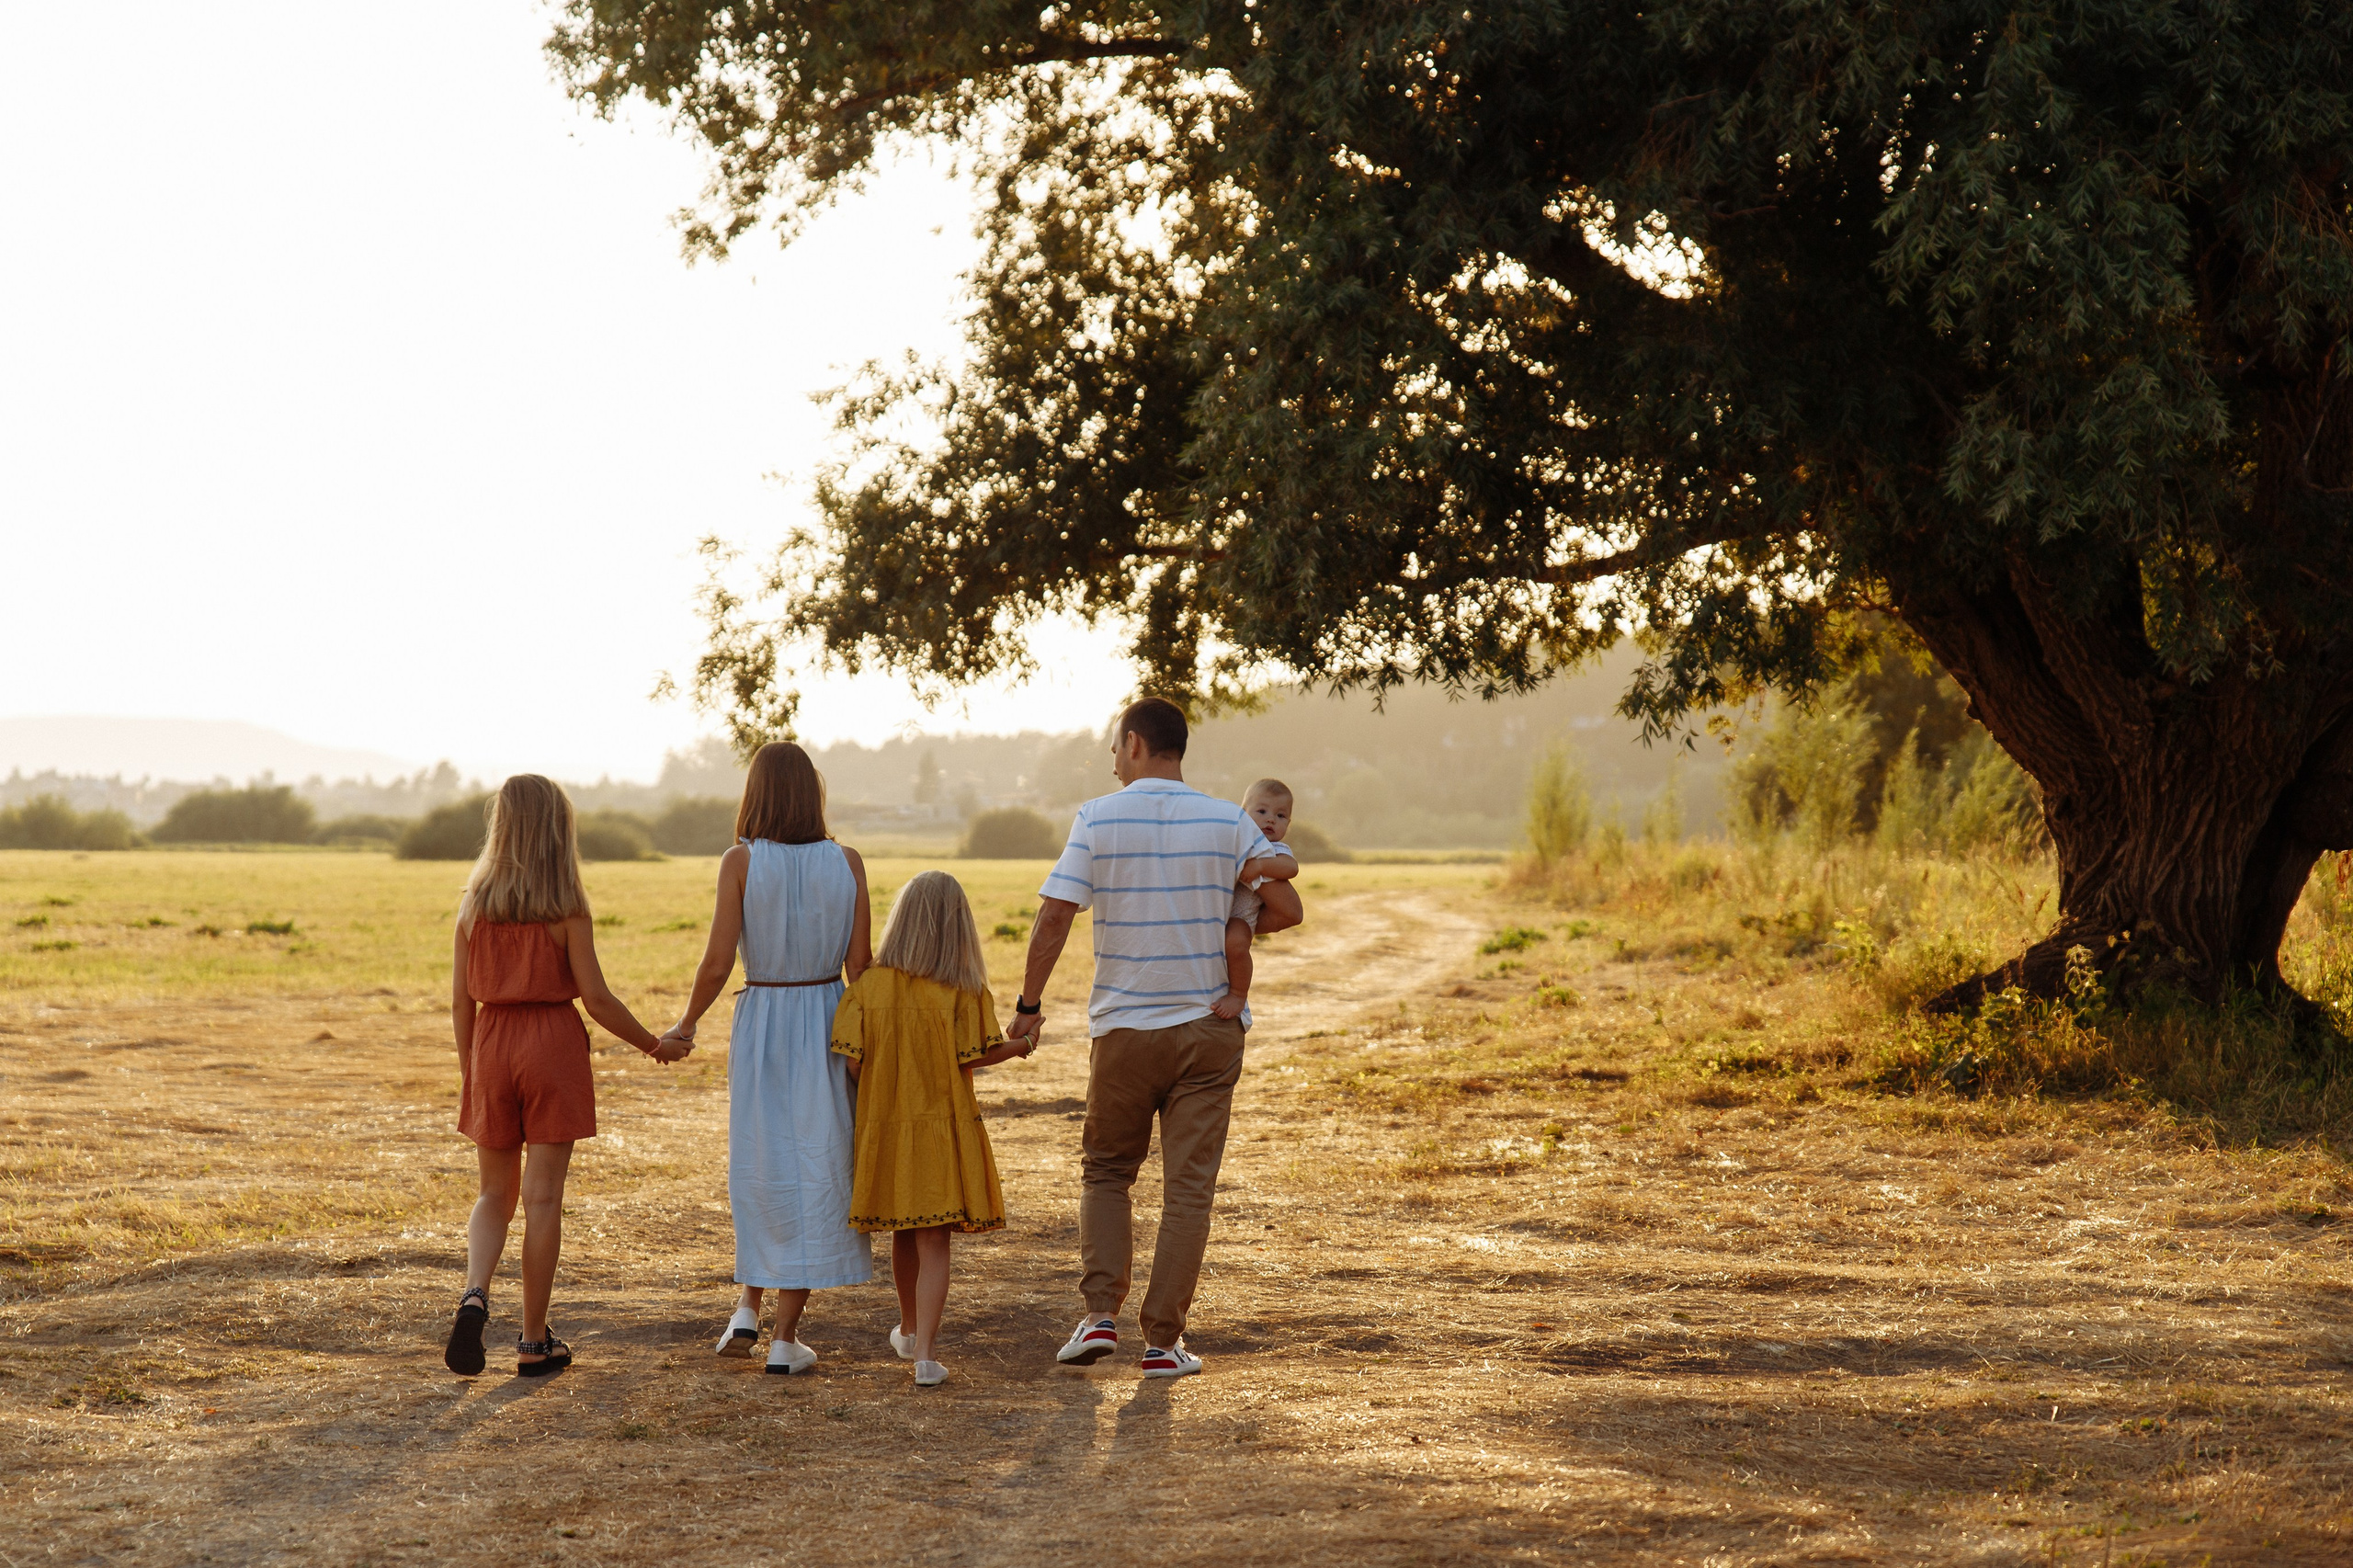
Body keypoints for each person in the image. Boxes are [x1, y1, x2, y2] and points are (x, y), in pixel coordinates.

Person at [1008, 697, 1302, 1378]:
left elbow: (1055, 917)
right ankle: (1164, 1343)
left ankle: (1098, 1317)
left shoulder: (1097, 817)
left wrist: (1029, 1005)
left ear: (1135, 744)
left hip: (1125, 1030)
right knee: (1187, 1190)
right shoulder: (1229, 819)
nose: (1113, 761)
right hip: (1209, 1029)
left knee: (1108, 1171)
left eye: (1116, 748)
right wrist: (1234, 921)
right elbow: (1286, 906)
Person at [443, 775, 681, 1380]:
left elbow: (459, 1003)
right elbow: (596, 999)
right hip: (550, 1044)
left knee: (494, 1194)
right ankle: (531, 1340)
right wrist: (653, 1044)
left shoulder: (473, 907)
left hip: (492, 1043)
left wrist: (472, 1070)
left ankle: (474, 1293)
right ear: (558, 831)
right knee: (543, 1198)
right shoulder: (567, 909)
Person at [661, 741, 874, 1375]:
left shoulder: (741, 861)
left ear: (755, 793)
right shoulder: (848, 860)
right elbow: (860, 966)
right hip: (827, 1018)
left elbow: (718, 962)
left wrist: (687, 1022)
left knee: (760, 1162)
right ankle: (782, 1334)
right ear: (813, 793)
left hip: (763, 1019)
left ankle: (750, 1309)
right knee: (817, 1164)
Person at [829, 870, 1030, 1388]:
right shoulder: (964, 990)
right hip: (943, 1127)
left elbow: (852, 1062)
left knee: (904, 1231)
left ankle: (908, 1328)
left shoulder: (868, 987)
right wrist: (1023, 1043)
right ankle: (924, 1354)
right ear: (958, 926)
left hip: (888, 1129)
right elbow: (978, 1054)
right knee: (934, 1240)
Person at [1210, 778, 1302, 1023]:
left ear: (1288, 824)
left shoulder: (1275, 850)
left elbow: (1291, 868)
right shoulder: (1234, 840)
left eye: (1281, 816)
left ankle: (1238, 995)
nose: (1271, 819)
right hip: (1216, 909)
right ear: (1242, 814)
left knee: (1236, 944)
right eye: (1261, 811)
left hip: (1242, 916)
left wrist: (1261, 865)